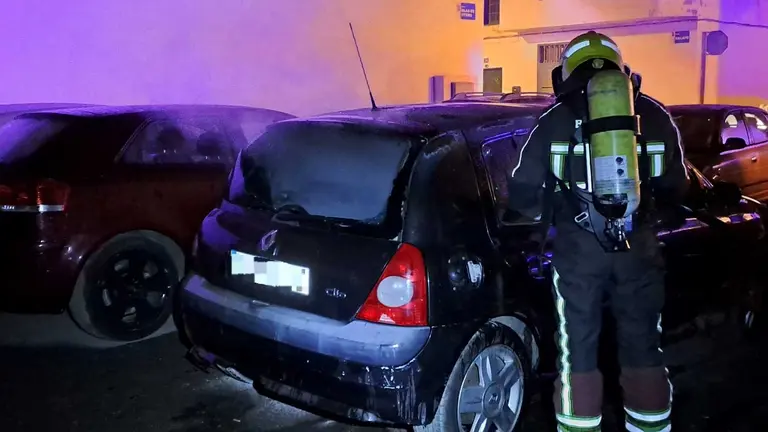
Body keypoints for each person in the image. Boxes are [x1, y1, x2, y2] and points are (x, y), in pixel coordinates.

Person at [506, 31, 689, 432]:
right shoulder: (655, 116)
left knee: (577, 351)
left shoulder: (553, 120)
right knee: (643, 346)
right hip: (639, 247)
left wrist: (548, 209)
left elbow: (521, 188)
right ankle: (651, 426)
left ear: (568, 69)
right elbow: (678, 186)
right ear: (617, 66)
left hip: (578, 249)